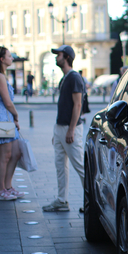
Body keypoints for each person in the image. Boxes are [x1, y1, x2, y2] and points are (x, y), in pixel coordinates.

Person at [42, 45, 86, 212]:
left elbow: (78, 105)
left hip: (70, 129)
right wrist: (57, 131)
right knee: (60, 166)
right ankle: (62, 200)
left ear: (66, 57)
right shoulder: (66, 78)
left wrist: (71, 130)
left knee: (80, 166)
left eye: (58, 54)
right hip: (61, 128)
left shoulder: (74, 78)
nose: (56, 57)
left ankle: (91, 202)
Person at [0, 45, 23, 201]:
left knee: (15, 153)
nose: (12, 58)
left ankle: (8, 187)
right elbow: (8, 102)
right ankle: (1, 190)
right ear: (2, 59)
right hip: (2, 117)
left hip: (3, 117)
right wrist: (16, 116)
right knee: (5, 155)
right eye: (9, 56)